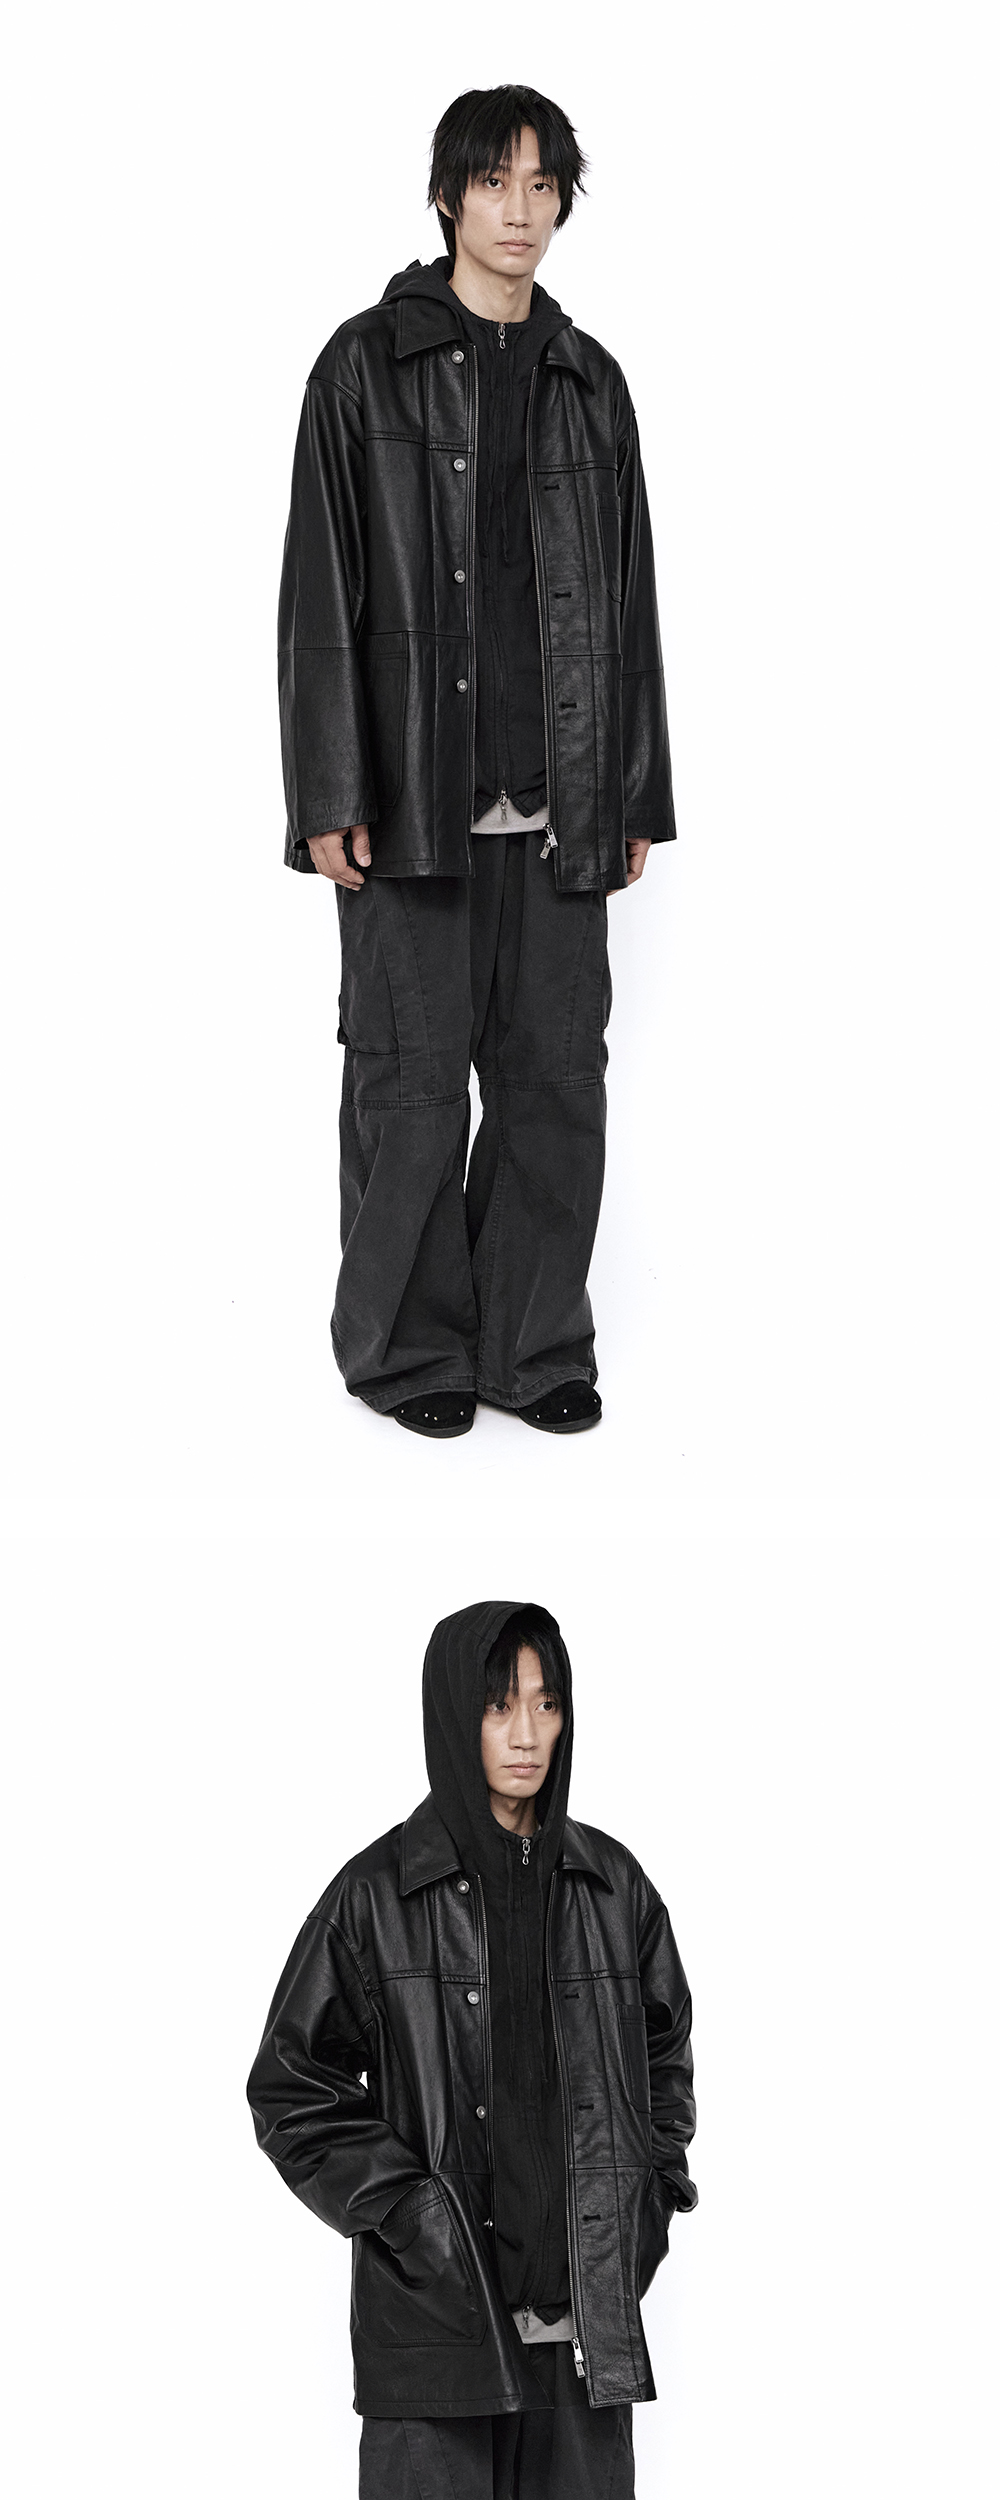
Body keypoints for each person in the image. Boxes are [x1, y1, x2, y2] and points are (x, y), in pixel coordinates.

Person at [279, 85, 677, 1438]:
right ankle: (408, 1353)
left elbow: (627, 603)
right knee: (409, 1082)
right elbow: (319, 595)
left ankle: (531, 1345)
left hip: (558, 801)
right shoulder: (364, 368)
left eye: (541, 184)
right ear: (448, 195)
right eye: (494, 182)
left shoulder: (588, 381)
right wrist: (330, 792)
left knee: (556, 1079)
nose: (520, 210)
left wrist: (632, 788)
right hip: (410, 802)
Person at [247, 1601, 696, 2498]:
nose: (526, 1733)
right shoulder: (377, 1894)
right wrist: (413, 2217)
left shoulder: (614, 1889)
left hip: (582, 2341)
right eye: (499, 1706)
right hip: (436, 2339)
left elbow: (666, 2064)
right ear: (455, 1714)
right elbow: (290, 2088)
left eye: (546, 1703)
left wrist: (649, 2200)